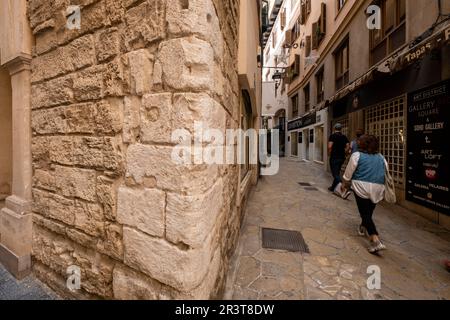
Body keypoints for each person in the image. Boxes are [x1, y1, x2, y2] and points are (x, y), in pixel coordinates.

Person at [342, 135, 388, 254]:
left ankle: (375, 239)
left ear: (363, 144)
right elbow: (386, 172)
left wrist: (345, 183)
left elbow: (349, 172)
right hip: (378, 187)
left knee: (365, 213)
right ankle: (363, 227)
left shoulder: (357, 155)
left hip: (361, 186)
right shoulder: (381, 157)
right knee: (369, 211)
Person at [328, 123, 350, 192]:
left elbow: (329, 146)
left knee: (335, 174)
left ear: (334, 128)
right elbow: (348, 146)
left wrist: (329, 153)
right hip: (342, 157)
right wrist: (345, 153)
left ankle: (343, 186)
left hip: (334, 157)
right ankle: (332, 188)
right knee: (337, 172)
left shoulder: (332, 136)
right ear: (341, 129)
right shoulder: (344, 137)